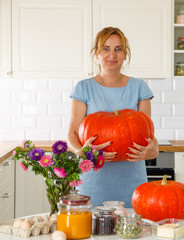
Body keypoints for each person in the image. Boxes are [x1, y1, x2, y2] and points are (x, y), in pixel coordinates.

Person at [67, 27, 159, 208]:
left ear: (125, 54)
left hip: (132, 181)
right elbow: (71, 134)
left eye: (118, 49)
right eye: (106, 48)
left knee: (131, 232)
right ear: (96, 54)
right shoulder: (83, 88)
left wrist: (153, 151)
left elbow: (148, 135)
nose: (112, 55)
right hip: (94, 180)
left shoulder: (139, 87)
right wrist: (82, 152)